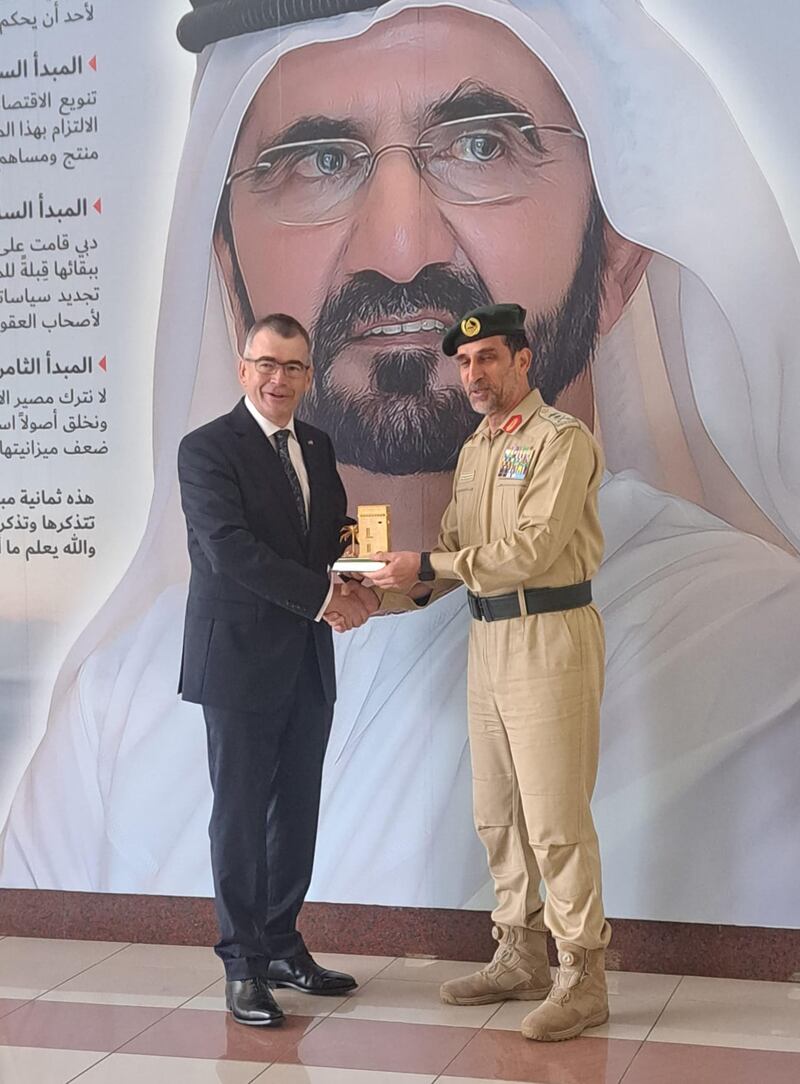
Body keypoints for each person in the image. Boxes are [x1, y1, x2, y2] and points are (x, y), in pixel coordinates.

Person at [1, 1, 799, 932]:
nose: (400, 246)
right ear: (230, 274)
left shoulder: (749, 659)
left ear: (617, 258)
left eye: (482, 148)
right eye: (320, 162)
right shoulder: (124, 709)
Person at [370, 303, 610, 1041]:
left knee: (555, 818)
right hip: (488, 643)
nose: (474, 373)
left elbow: (531, 552)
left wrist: (432, 565)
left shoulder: (561, 442)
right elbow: (448, 558)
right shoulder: (476, 449)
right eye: (465, 364)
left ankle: (583, 975)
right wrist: (370, 593)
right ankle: (519, 953)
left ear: (523, 361)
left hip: (549, 633)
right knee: (497, 811)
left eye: (488, 359)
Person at [177, 312, 376, 1026]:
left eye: (293, 367)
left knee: (295, 809)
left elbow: (330, 534)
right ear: (243, 367)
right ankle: (242, 965)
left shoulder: (317, 445)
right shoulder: (206, 450)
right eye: (266, 363)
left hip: (304, 660)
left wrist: (364, 572)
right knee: (238, 816)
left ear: (308, 375)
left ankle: (285, 944)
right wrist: (328, 597)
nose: (278, 379)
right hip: (234, 663)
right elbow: (230, 550)